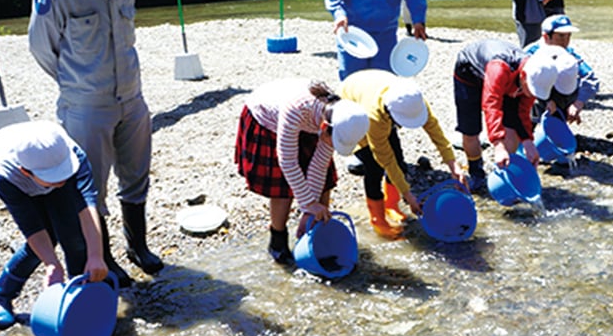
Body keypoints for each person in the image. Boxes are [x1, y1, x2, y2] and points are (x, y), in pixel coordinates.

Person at [28, 0, 162, 288]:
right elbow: (42, 49)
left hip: (131, 97)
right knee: (91, 186)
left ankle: (139, 247)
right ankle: (104, 260)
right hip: (86, 105)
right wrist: (79, 85)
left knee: (136, 175)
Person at [0, 121, 109, 330]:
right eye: (53, 180)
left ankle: (79, 298)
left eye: (63, 175)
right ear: (26, 171)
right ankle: (1, 296)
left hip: (49, 167)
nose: (60, 181)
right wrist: (52, 264)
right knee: (44, 243)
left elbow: (87, 207)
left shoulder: (73, 156)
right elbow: (32, 228)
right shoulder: (6, 177)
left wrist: (96, 255)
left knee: (75, 238)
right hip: (23, 186)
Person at [234, 79, 368, 264]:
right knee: (283, 188)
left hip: (308, 123)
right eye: (335, 142)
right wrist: (308, 203)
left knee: (325, 182)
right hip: (268, 118)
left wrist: (309, 211)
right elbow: (287, 162)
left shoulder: (340, 115)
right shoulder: (296, 109)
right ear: (324, 128)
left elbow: (320, 164)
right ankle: (277, 241)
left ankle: (317, 234)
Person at [339, 69, 467, 239]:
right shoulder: (374, 117)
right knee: (374, 167)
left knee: (400, 162)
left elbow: (435, 131)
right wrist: (408, 194)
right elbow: (385, 158)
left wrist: (453, 165)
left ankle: (391, 205)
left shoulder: (414, 100)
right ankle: (378, 220)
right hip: (352, 102)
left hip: (375, 90)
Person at [453, 39, 561, 192]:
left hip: (510, 81)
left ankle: (506, 173)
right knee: (471, 130)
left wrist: (528, 141)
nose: (530, 94)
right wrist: (498, 145)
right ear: (524, 76)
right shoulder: (499, 69)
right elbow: (491, 105)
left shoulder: (535, 78)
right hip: (469, 73)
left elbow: (522, 113)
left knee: (512, 129)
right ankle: (476, 173)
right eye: (530, 89)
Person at [525, 14, 599, 124]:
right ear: (546, 37)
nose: (565, 41)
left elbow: (590, 78)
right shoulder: (530, 53)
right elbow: (523, 82)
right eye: (561, 36)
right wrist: (546, 101)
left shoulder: (569, 54)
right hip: (533, 98)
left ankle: (558, 120)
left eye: (568, 35)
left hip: (558, 96)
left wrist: (579, 103)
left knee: (573, 80)